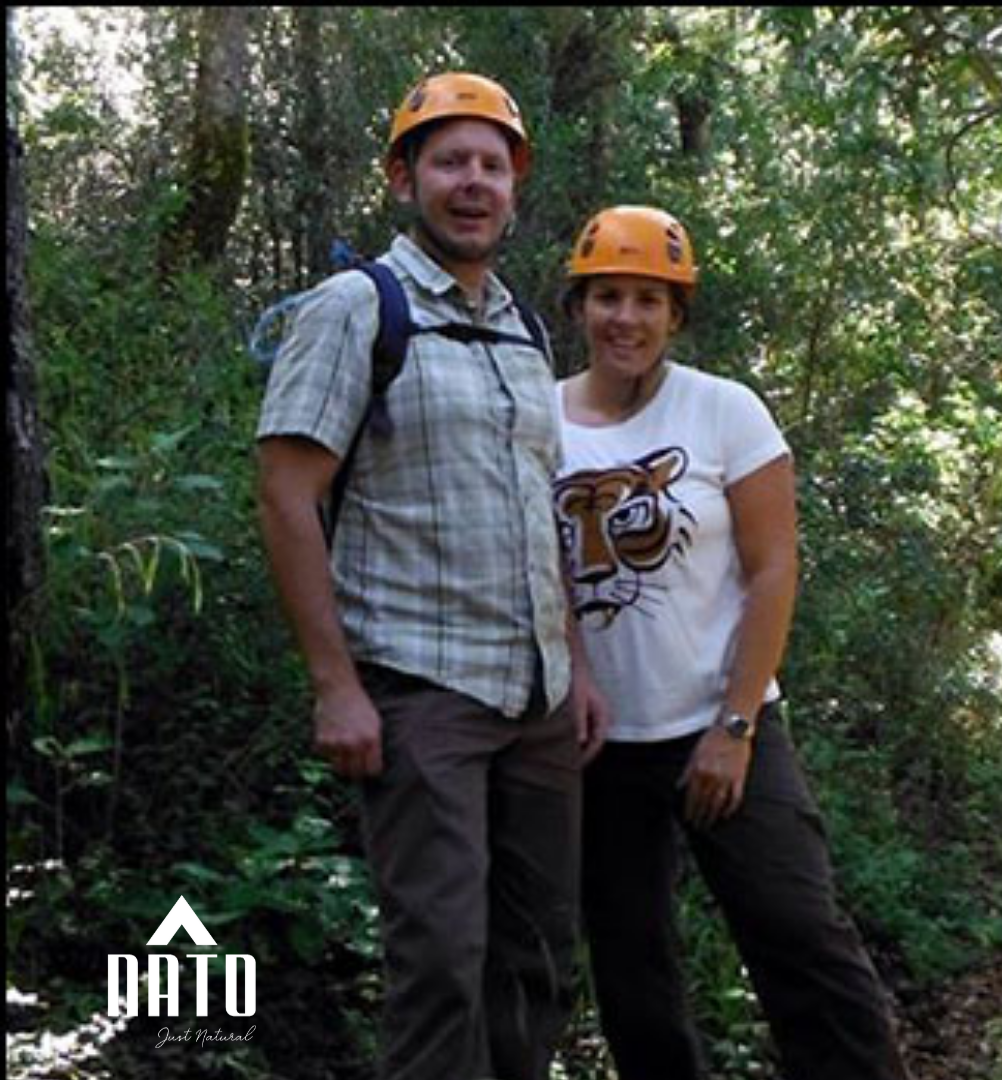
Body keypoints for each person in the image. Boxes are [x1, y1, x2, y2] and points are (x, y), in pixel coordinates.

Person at [256, 72, 607, 1080]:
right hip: (422, 693)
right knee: (441, 965)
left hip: (536, 700)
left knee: (536, 958)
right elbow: (286, 498)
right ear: (404, 176)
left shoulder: (524, 329)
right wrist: (336, 687)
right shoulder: (356, 308)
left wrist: (576, 667)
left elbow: (541, 514)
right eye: (450, 161)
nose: (473, 183)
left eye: (492, 166)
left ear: (514, 187)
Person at [553, 205, 911, 1080]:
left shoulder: (724, 411)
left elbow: (773, 570)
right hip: (601, 748)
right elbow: (542, 577)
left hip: (726, 726)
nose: (625, 318)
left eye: (649, 299)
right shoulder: (539, 418)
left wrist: (736, 725)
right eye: (607, 296)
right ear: (578, 307)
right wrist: (575, 680)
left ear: (677, 314)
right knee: (634, 972)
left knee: (799, 936)